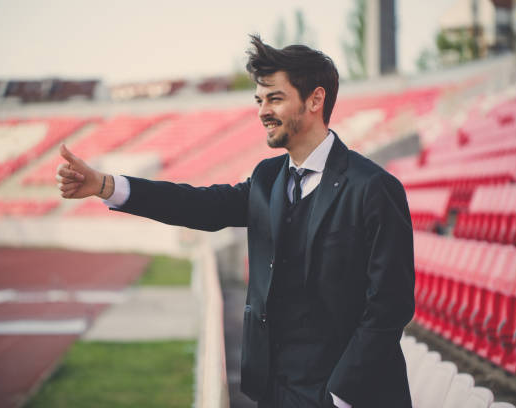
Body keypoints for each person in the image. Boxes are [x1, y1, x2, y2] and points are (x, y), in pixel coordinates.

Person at [56, 35, 415, 408]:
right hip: (275, 391)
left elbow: (391, 306)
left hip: (349, 395)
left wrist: (341, 395)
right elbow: (200, 206)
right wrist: (106, 186)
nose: (262, 111)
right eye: (259, 100)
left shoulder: (374, 187)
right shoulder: (266, 178)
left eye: (274, 98)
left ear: (315, 99)